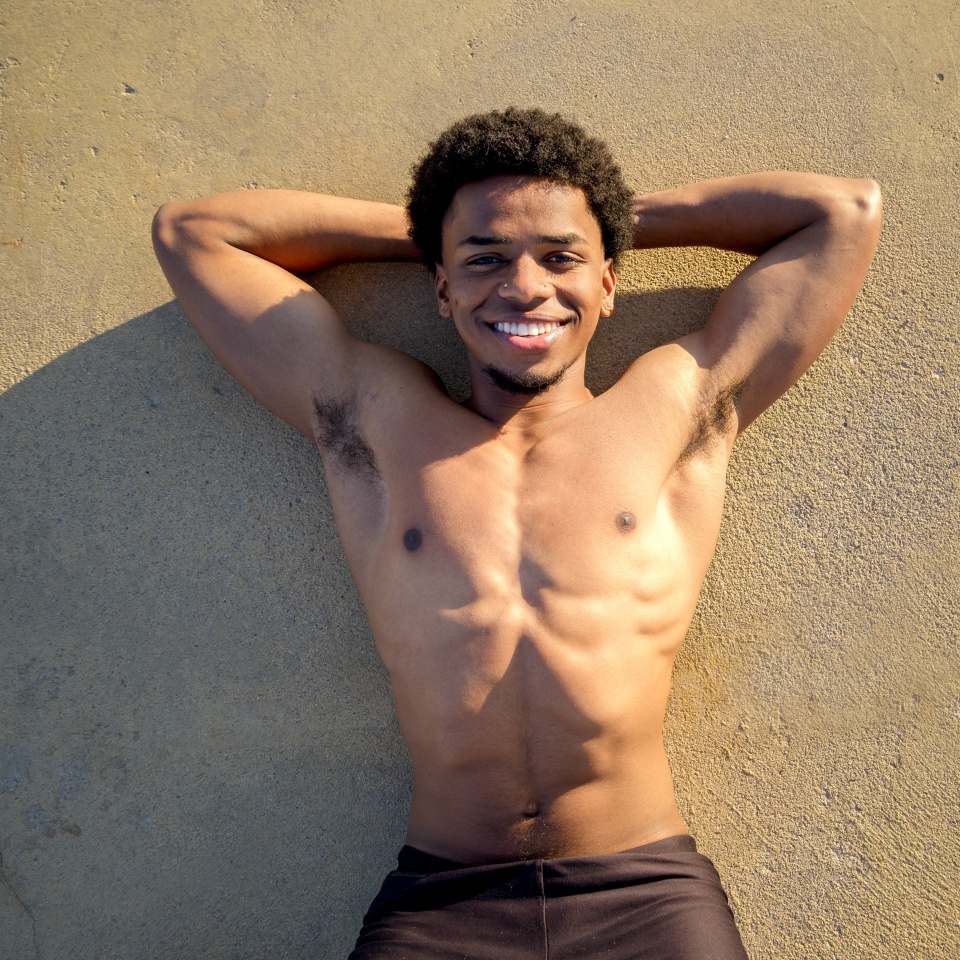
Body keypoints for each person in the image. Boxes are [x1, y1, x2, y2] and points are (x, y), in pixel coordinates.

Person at [152, 108, 882, 959]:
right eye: (486, 260)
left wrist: (592, 221)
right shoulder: (379, 417)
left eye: (560, 259)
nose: (526, 288)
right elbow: (195, 234)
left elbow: (842, 214)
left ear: (608, 282)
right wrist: (445, 228)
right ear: (441, 288)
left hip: (646, 898)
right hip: (442, 906)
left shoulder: (676, 406)